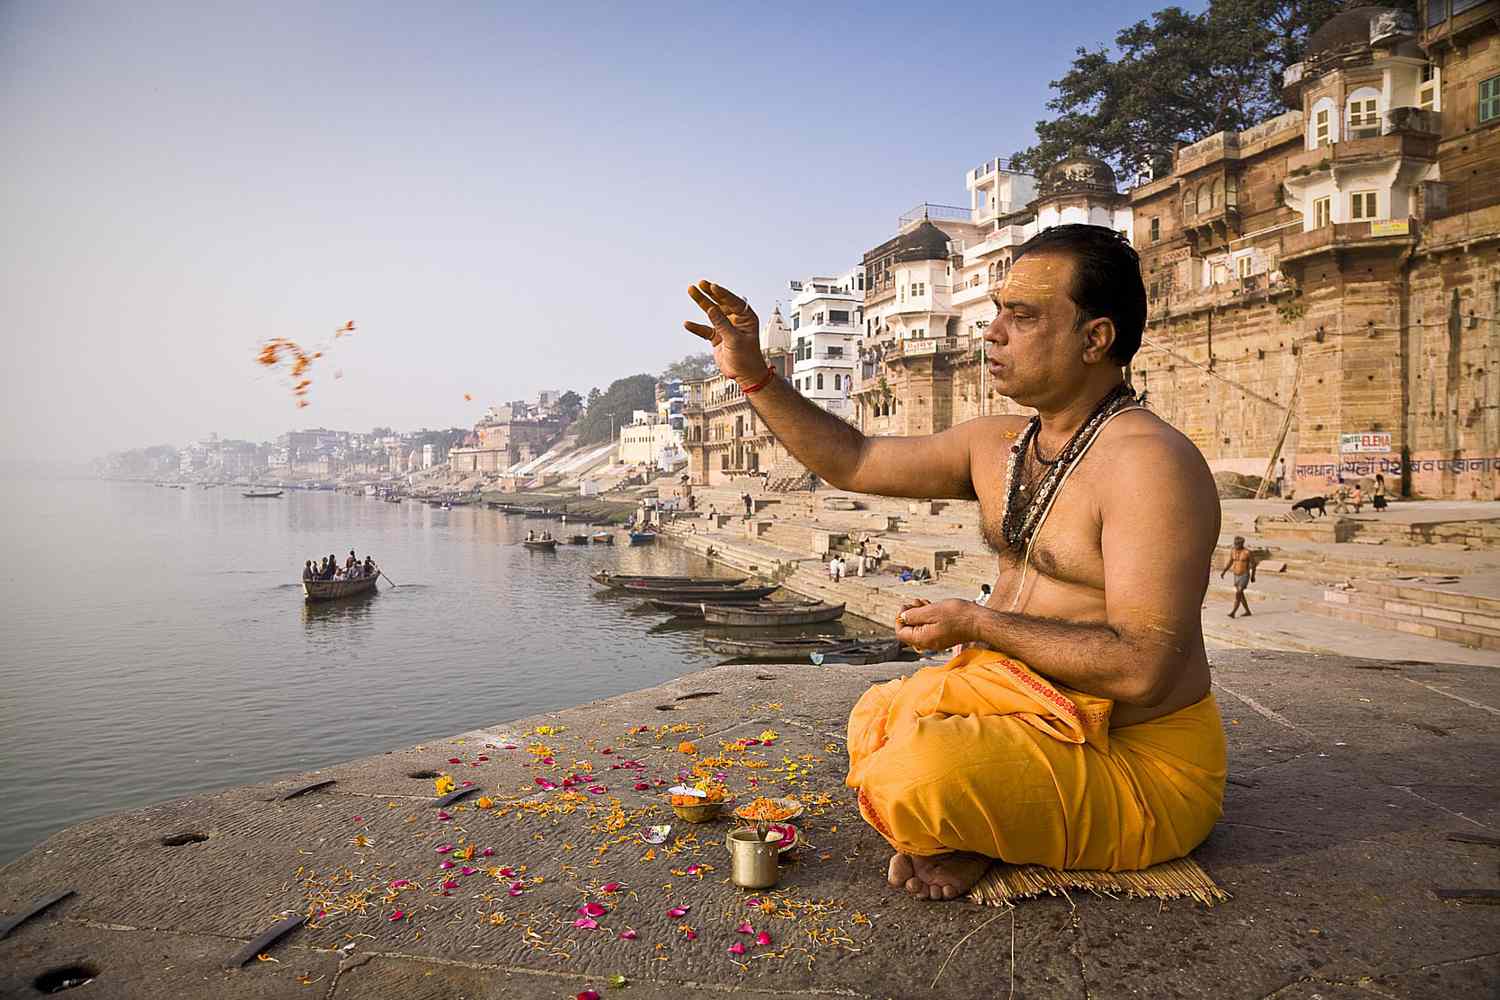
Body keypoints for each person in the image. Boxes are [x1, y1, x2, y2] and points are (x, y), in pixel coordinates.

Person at [684, 224, 1224, 900]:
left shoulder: (1151, 464)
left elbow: (1143, 669)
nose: (991, 333)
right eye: (997, 309)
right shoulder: (997, 442)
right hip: (1028, 710)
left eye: (1022, 316)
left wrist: (977, 623)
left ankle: (987, 821)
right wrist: (757, 375)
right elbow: (854, 460)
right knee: (876, 718)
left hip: (1135, 756)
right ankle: (990, 825)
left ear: (1095, 339)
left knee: (916, 778)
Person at [1220, 537, 1255, 619]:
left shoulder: (1247, 552)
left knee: (1238, 593)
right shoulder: (1233, 551)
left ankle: (1233, 612)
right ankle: (1248, 611)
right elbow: (1230, 562)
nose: (1236, 545)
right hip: (1236, 575)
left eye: (1237, 544)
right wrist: (1224, 571)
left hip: (1244, 575)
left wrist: (1253, 576)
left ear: (1242, 544)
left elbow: (1253, 565)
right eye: (1235, 543)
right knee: (1240, 595)